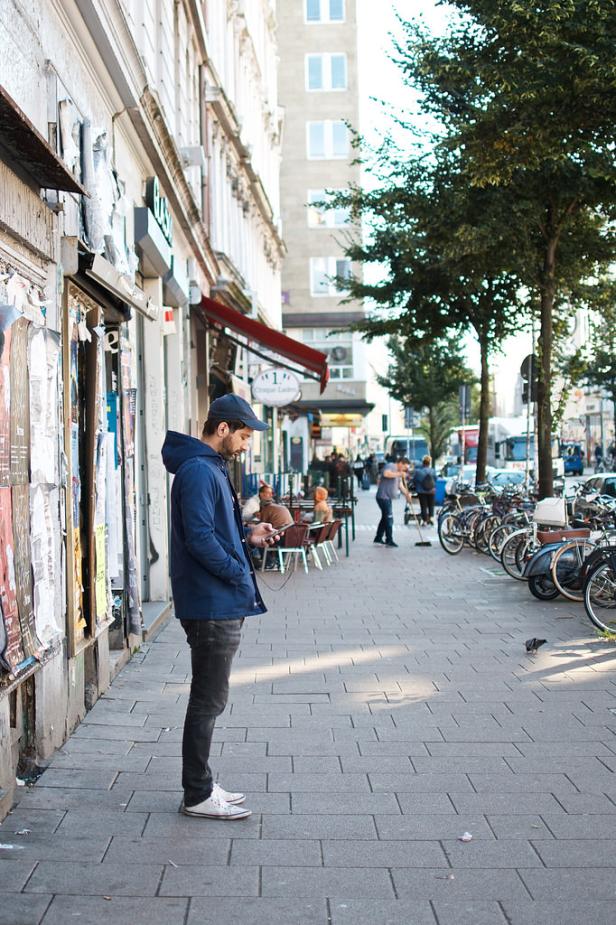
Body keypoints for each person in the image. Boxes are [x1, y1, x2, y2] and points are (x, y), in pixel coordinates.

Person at [161, 394, 276, 821]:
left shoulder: (208, 468)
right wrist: (238, 572)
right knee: (208, 699)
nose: (247, 444)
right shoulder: (197, 471)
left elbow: (214, 530)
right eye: (244, 435)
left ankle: (203, 784)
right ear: (223, 428)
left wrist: (248, 533)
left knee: (211, 698)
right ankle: (197, 794)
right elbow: (201, 539)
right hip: (211, 603)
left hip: (216, 599)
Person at [374, 457, 411, 548]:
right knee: (389, 519)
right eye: (404, 468)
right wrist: (399, 473)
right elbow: (386, 474)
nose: (404, 470)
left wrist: (407, 494)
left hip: (387, 497)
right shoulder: (390, 466)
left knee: (385, 518)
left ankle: (378, 538)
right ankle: (389, 540)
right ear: (401, 463)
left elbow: (400, 486)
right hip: (383, 497)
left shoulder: (397, 473)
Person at [413, 454, 437, 525]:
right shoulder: (433, 471)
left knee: (423, 505)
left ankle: (425, 520)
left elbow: (415, 480)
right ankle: (431, 518)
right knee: (431, 504)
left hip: (421, 491)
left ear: (423, 463)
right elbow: (435, 480)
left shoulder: (418, 472)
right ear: (429, 463)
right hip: (431, 491)